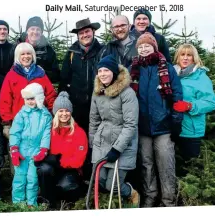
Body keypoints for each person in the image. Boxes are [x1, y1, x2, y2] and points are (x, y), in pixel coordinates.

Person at [129, 32, 183, 207]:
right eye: (141, 47)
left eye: (147, 46)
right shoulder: (134, 69)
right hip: (143, 127)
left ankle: (168, 200)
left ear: (154, 47)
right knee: (146, 165)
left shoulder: (166, 68)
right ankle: (150, 197)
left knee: (166, 164)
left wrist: (175, 121)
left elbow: (177, 96)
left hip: (164, 126)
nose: (144, 49)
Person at [89, 55, 140, 207]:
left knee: (114, 185)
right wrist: (93, 143)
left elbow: (131, 124)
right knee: (100, 180)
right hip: (101, 141)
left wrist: (117, 149)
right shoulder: (97, 92)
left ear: (114, 72)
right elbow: (94, 120)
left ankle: (131, 193)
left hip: (122, 144)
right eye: (100, 70)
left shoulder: (127, 93)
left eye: (106, 70)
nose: (103, 74)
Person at [36, 91, 88, 209]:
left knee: (67, 185)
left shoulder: (79, 132)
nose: (64, 114)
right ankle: (49, 203)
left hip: (70, 170)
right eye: (61, 111)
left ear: (71, 112)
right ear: (55, 112)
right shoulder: (49, 130)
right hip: (53, 169)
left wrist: (59, 160)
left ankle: (70, 201)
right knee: (44, 169)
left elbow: (78, 161)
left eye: (67, 111)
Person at [0, 42, 57, 140]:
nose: (26, 56)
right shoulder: (11, 75)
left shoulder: (41, 74)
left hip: (40, 121)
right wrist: (7, 123)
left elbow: (51, 95)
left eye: (28, 53)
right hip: (19, 122)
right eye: (22, 54)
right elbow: (5, 100)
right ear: (18, 56)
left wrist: (53, 115)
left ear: (33, 55)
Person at [9, 83, 52, 207]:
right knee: (20, 178)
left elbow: (46, 134)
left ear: (39, 98)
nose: (30, 102)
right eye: (27, 99)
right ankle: (18, 202)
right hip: (22, 150)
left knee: (33, 179)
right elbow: (15, 132)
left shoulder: (45, 115)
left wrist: (44, 149)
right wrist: (14, 149)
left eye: (32, 99)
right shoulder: (21, 114)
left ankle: (31, 202)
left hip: (36, 150)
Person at [59, 18, 103, 134]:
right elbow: (64, 78)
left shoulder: (102, 51)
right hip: (77, 105)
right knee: (79, 136)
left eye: (87, 31)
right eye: (81, 33)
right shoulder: (72, 53)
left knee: (97, 136)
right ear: (78, 36)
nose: (84, 35)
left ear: (93, 31)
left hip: (98, 103)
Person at [173, 44, 215, 164]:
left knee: (190, 166)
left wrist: (190, 106)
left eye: (189, 55)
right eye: (182, 54)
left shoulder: (201, 77)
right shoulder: (172, 74)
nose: (185, 58)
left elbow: (211, 102)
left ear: (194, 58)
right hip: (173, 128)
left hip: (191, 130)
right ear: (178, 57)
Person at [15, 16, 60, 83]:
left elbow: (56, 75)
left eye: (38, 29)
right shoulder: (17, 48)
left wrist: (41, 72)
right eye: (32, 29)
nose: (35, 32)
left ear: (41, 32)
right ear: (27, 31)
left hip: (41, 88)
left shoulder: (48, 50)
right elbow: (10, 71)